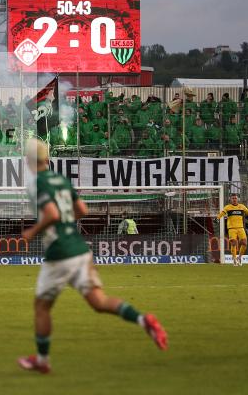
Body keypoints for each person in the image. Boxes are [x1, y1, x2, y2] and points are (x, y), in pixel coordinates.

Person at [17, 140, 167, 374]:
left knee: (41, 308)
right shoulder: (61, 180)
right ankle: (143, 320)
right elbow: (83, 210)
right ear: (47, 159)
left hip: (59, 253)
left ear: (28, 160)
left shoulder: (37, 183)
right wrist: (66, 224)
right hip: (80, 249)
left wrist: (32, 231)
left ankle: (42, 361)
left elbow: (51, 213)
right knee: (99, 302)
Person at [217, 193, 248, 267]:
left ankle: (239, 258)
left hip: (240, 227)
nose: (234, 199)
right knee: (233, 243)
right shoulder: (228, 207)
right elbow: (222, 213)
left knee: (244, 243)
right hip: (232, 228)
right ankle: (234, 259)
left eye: (235, 198)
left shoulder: (242, 207)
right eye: (233, 198)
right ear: (230, 199)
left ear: (238, 199)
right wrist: (218, 218)